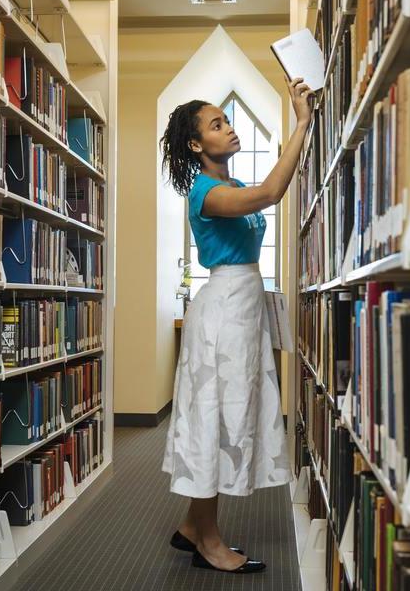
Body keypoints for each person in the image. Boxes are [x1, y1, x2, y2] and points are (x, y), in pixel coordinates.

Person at [160, 76, 315, 574]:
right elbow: (273, 191)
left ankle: (191, 525)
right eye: (216, 124)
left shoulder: (230, 185)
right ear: (195, 142)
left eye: (227, 122)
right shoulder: (203, 191)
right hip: (223, 311)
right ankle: (209, 542)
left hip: (245, 308)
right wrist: (304, 123)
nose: (227, 129)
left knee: (228, 417)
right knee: (214, 419)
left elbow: (263, 194)